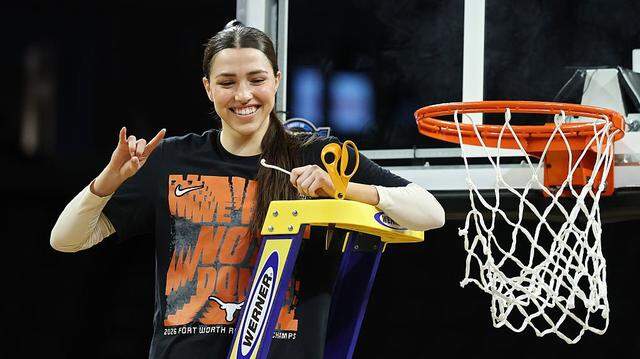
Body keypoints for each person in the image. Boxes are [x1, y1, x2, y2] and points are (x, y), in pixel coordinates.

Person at [50, 20, 445, 359]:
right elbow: (66, 241)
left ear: (276, 79)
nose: (243, 96)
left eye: (256, 80)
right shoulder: (171, 160)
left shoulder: (318, 156)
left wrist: (343, 190)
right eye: (227, 82)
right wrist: (108, 181)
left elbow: (431, 212)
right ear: (207, 88)